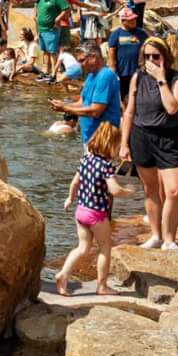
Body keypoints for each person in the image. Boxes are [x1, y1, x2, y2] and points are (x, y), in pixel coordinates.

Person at [119, 36, 178, 250]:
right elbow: (130, 111)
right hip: (142, 136)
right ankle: (156, 235)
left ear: (166, 57)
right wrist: (124, 143)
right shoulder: (138, 77)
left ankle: (170, 239)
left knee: (173, 191)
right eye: (147, 56)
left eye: (156, 56)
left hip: (169, 138)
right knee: (150, 189)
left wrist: (161, 79)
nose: (151, 60)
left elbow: (172, 107)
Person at [56, 121, 124, 295]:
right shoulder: (107, 166)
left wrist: (69, 199)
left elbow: (75, 182)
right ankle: (102, 286)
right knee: (105, 248)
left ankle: (63, 275)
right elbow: (114, 190)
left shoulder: (86, 159)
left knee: (82, 247)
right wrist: (127, 192)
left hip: (81, 211)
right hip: (97, 214)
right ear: (110, 145)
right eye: (117, 146)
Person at [34, 0, 88, 82]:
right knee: (45, 51)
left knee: (53, 52)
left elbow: (66, 9)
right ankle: (46, 72)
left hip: (51, 29)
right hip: (41, 29)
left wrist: (58, 18)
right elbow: (37, 9)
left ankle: (54, 74)